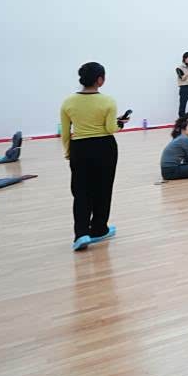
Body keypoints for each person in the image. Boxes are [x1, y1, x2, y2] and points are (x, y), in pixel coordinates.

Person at [60, 62, 127, 251]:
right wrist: (121, 124)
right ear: (100, 80)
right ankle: (98, 229)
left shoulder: (68, 102)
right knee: (103, 190)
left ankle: (81, 234)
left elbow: (65, 132)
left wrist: (68, 152)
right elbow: (110, 128)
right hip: (104, 148)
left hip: (80, 148)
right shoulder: (108, 101)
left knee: (81, 191)